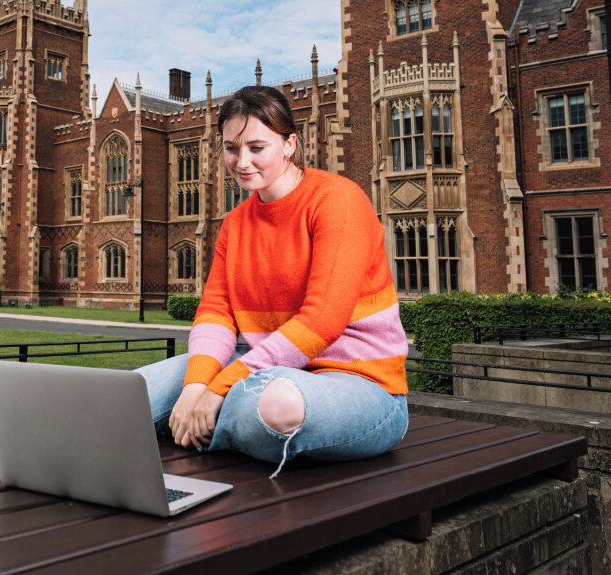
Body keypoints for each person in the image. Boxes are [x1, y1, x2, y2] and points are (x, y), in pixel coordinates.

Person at [136, 85, 408, 478]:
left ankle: (198, 429)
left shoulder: (338, 200)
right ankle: (212, 428)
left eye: (256, 148)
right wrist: (197, 384)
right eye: (231, 148)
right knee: (134, 392)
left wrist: (217, 389)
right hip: (267, 372)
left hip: (362, 384)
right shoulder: (234, 223)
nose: (241, 162)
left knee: (273, 405)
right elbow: (215, 314)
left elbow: (323, 321)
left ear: (289, 144)